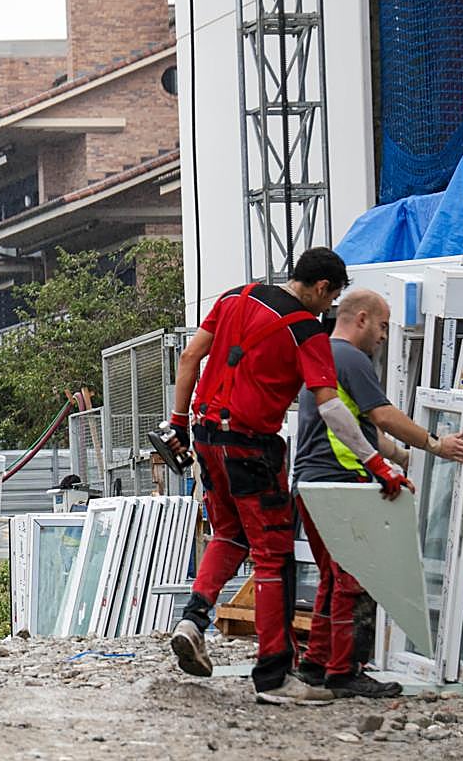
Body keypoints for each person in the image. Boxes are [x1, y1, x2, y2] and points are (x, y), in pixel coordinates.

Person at [165, 248, 410, 705]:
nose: (327, 310)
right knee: (274, 557)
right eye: (330, 300)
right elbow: (331, 408)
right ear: (322, 287)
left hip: (205, 436)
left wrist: (178, 423)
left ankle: (193, 619)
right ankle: (274, 677)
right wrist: (377, 464)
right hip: (252, 446)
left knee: (230, 533)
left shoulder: (236, 296)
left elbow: (190, 357)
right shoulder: (306, 331)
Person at [292, 289, 463, 697]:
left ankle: (316, 665)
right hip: (341, 482)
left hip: (311, 483)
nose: (384, 336)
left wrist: (405, 458)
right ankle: (343, 671)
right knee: (353, 577)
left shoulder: (322, 354)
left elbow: (365, 430)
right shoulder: (351, 358)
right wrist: (436, 444)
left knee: (333, 576)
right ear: (361, 318)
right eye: (383, 325)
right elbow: (384, 416)